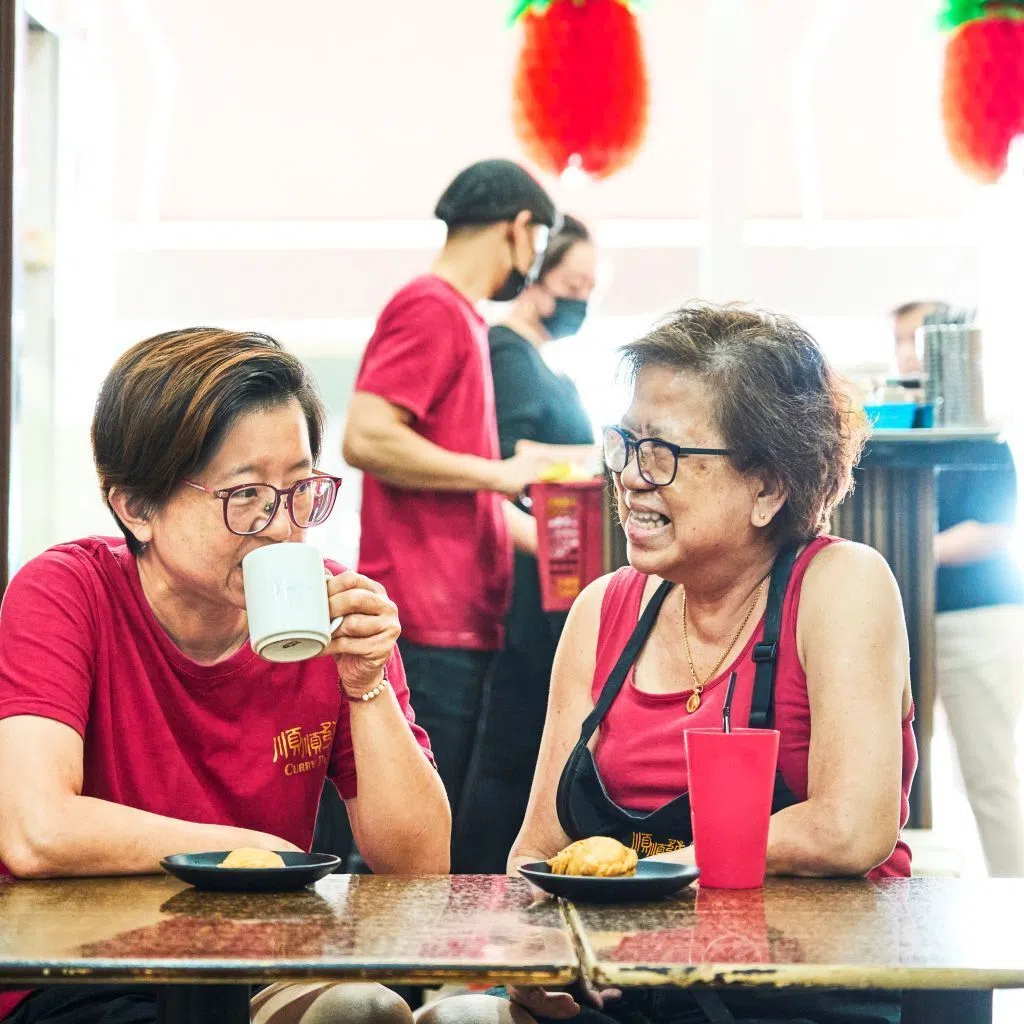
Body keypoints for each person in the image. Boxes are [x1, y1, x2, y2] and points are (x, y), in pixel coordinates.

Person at [420, 303, 917, 1024]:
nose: (630, 477)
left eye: (664, 454)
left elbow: (851, 827)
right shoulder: (603, 610)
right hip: (628, 993)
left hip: (804, 991)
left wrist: (654, 875)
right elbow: (540, 847)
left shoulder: (840, 586)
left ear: (768, 487)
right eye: (624, 444)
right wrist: (531, 964)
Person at [0, 328, 450, 1024]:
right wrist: (237, 850)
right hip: (78, 969)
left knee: (366, 1010)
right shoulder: (65, 594)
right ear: (135, 507)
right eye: (245, 496)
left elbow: (420, 871)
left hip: (250, 967)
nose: (281, 529)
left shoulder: (332, 614)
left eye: (300, 489)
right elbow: (34, 829)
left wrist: (367, 686)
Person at [343, 159, 562, 870]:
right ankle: (385, 980)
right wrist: (500, 473)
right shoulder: (431, 307)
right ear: (520, 230)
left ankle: (416, 980)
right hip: (423, 622)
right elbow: (366, 436)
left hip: (456, 619)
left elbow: (466, 492)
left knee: (442, 830)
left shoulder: (461, 317)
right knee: (410, 849)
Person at [458, 215, 598, 872]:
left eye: (591, 286)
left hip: (556, 586)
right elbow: (499, 475)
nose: (582, 299)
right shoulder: (509, 356)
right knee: (515, 757)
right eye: (573, 282)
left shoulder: (544, 362)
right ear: (538, 276)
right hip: (529, 590)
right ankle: (487, 915)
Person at [893, 300, 1024, 877]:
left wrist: (909, 556)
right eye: (901, 339)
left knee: (990, 775)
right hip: (906, 622)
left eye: (920, 340)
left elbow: (994, 530)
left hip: (978, 619)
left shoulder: (982, 436)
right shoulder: (892, 435)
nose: (910, 351)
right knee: (900, 778)